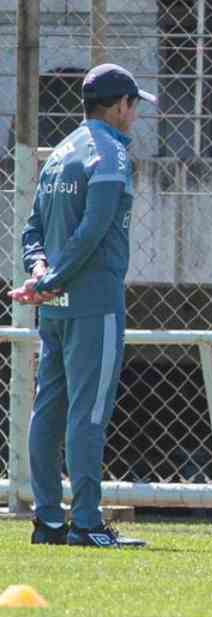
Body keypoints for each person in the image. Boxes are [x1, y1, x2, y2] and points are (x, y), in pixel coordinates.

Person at [18, 64, 148, 548]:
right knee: (88, 411)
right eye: (134, 106)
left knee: (48, 409)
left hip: (54, 303)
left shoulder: (61, 153)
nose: (134, 117)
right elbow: (93, 231)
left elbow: (32, 229)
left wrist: (39, 275)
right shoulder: (110, 154)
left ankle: (48, 521)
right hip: (93, 301)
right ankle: (88, 523)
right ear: (119, 106)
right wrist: (51, 277)